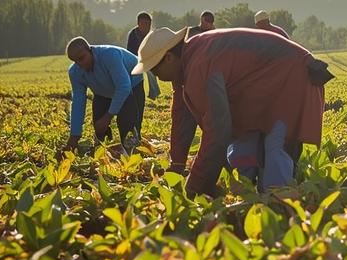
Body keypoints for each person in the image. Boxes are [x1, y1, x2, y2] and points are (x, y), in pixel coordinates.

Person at [134, 27, 326, 196]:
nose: (156, 76)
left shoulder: (200, 64)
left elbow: (218, 132)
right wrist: (177, 165)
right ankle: (253, 197)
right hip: (262, 94)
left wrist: (194, 187)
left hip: (292, 77)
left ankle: (278, 207)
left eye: (155, 71)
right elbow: (182, 117)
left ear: (169, 58)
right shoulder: (187, 60)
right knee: (242, 152)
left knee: (276, 149)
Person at [61, 37, 154, 159]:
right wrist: (74, 135)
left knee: (128, 124)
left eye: (82, 58)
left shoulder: (110, 55)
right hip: (103, 91)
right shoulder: (75, 72)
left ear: (90, 50)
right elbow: (78, 101)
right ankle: (108, 153)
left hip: (131, 83)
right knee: (99, 125)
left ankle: (133, 153)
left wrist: (108, 116)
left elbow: (124, 87)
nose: (80, 64)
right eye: (75, 61)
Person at [125, 12, 161, 98]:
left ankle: (154, 93)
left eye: (148, 24)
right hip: (135, 59)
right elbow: (130, 51)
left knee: (151, 72)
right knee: (134, 75)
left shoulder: (152, 34)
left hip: (149, 58)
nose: (145, 26)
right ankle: (133, 92)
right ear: (138, 24)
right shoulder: (133, 34)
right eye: (143, 24)